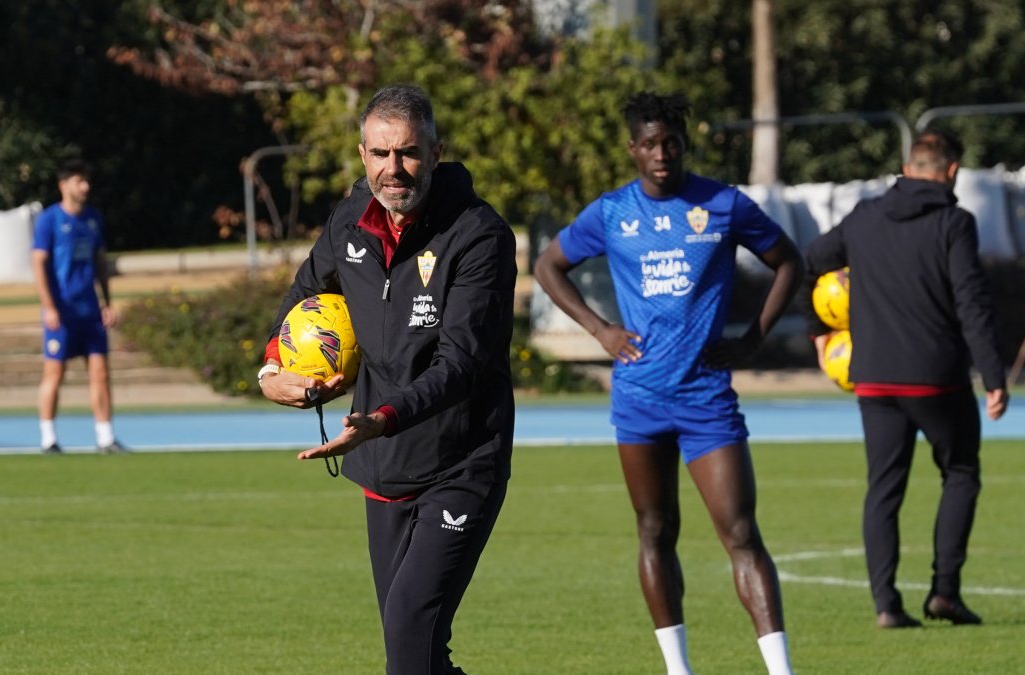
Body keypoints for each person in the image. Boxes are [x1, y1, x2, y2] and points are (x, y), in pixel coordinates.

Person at [534, 92, 798, 675]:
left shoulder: (724, 205)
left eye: (670, 142)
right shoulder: (611, 213)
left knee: (741, 531)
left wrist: (754, 336)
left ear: (684, 144)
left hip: (707, 398)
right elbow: (547, 266)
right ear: (633, 149)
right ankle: (679, 670)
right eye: (649, 144)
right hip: (638, 401)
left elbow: (789, 262)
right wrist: (600, 329)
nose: (661, 153)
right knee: (655, 530)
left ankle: (781, 671)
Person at [258, 84, 516, 675]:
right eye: (379, 154)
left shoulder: (478, 235)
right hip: (384, 462)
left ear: (436, 151)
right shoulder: (350, 220)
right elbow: (304, 295)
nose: (393, 169)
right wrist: (273, 370)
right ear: (362, 153)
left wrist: (379, 419)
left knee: (409, 638)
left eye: (408, 153)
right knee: (417, 655)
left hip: (461, 459)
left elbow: (462, 362)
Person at [802, 130, 1009, 629]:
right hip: (937, 380)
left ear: (907, 166)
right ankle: (944, 594)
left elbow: (812, 261)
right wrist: (994, 375)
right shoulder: (954, 223)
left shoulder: (864, 217)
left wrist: (819, 333)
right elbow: (971, 302)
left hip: (873, 380)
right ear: (952, 171)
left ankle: (885, 605)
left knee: (884, 489)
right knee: (960, 473)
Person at [31, 159, 124, 454]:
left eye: (86, 181)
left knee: (100, 372)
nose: (85, 187)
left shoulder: (93, 219)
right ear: (64, 185)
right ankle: (48, 438)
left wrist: (106, 303)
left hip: (89, 312)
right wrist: (49, 306)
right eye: (78, 181)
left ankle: (105, 437)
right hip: (63, 311)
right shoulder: (49, 220)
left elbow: (99, 263)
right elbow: (38, 263)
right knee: (54, 373)